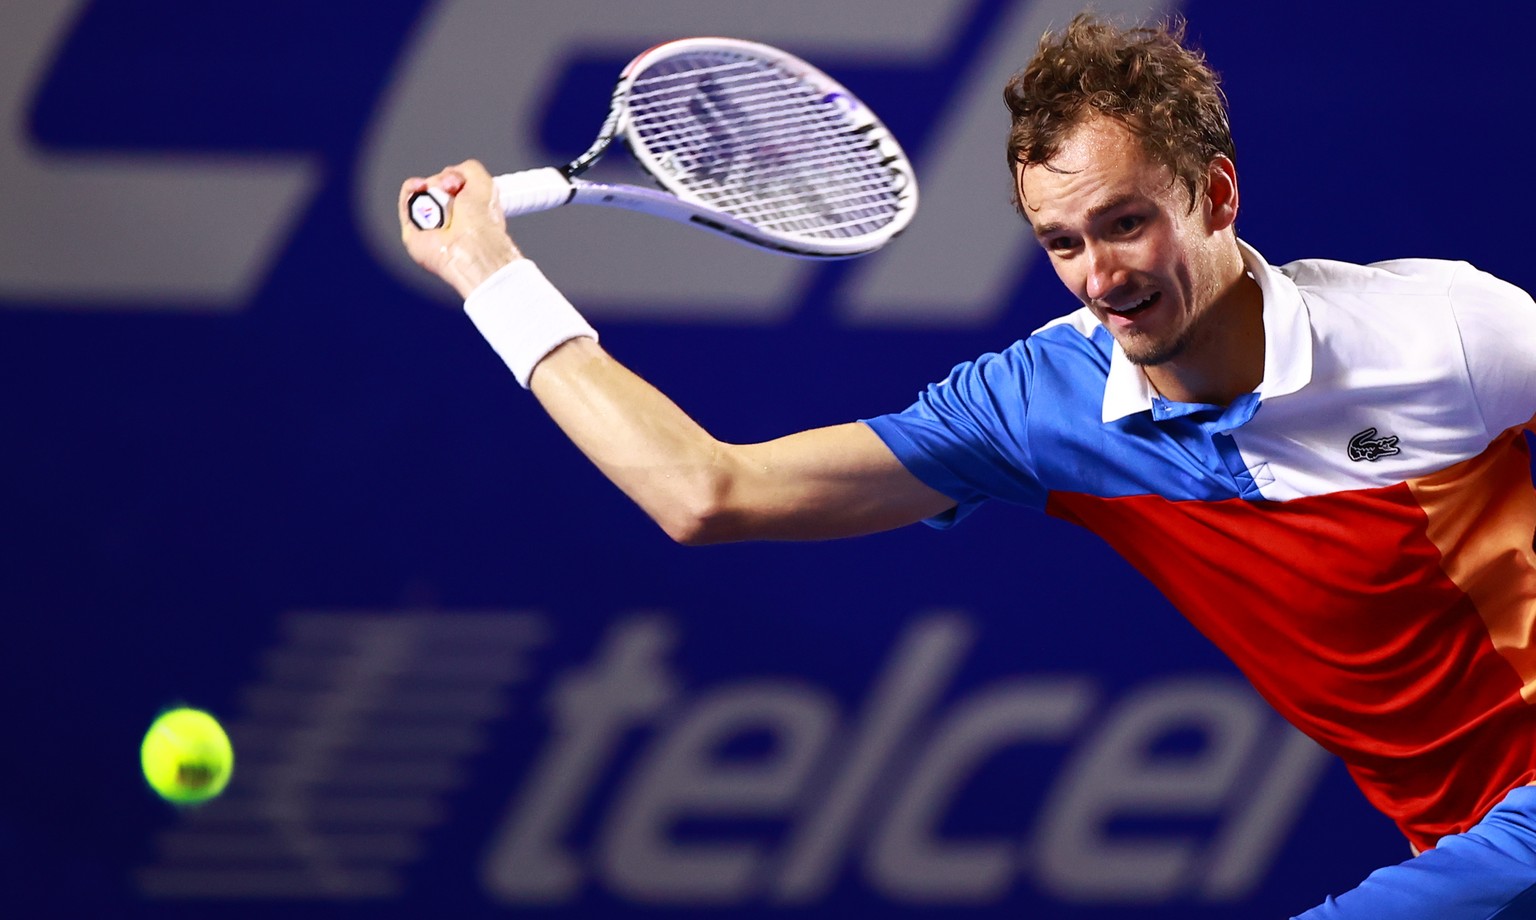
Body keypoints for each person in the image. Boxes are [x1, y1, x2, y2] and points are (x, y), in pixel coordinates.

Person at [399, 13, 1536, 919]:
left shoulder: (1440, 330)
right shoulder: (1040, 408)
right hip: (1467, 833)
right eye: (1062, 244)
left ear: (1218, 197)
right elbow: (706, 491)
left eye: (1126, 224)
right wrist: (493, 276)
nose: (1100, 275)